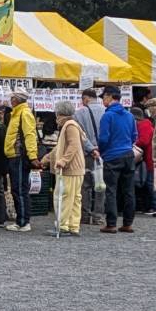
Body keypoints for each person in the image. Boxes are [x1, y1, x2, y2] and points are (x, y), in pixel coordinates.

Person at [97, 85, 137, 234]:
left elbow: (103, 138)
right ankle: (128, 223)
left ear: (109, 96)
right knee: (128, 191)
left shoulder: (107, 116)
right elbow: (134, 136)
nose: (103, 101)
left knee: (111, 190)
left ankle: (111, 223)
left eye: (103, 98)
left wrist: (102, 151)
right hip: (128, 154)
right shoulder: (129, 115)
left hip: (112, 156)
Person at [4, 91, 41, 232]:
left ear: (16, 100)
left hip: (19, 155)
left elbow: (30, 135)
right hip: (15, 155)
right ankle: (22, 220)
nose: (10, 101)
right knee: (18, 188)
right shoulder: (18, 113)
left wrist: (32, 156)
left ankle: (23, 222)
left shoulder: (24, 113)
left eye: (12, 98)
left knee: (19, 189)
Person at [50, 99, 86, 235]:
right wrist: (47, 158)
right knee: (75, 198)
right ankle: (73, 226)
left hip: (69, 169)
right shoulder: (74, 124)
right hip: (77, 168)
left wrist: (63, 161)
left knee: (63, 196)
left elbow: (73, 145)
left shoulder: (69, 125)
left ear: (60, 114)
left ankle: (62, 225)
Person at [75, 89, 106, 226]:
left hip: (87, 154)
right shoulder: (106, 111)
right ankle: (99, 216)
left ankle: (85, 216)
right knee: (100, 185)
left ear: (85, 99)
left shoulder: (79, 113)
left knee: (85, 186)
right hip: (104, 153)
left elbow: (80, 135)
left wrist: (91, 148)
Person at [132, 105, 155, 214]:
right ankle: (150, 205)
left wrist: (133, 143)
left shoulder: (144, 125)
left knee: (150, 182)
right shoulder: (146, 124)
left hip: (150, 157)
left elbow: (144, 141)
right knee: (148, 182)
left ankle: (154, 206)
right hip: (149, 157)